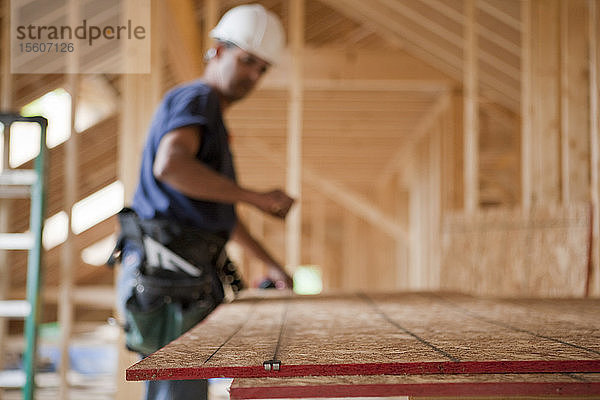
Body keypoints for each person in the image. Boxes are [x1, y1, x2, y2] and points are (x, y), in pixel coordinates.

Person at [109, 4, 294, 399]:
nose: (254, 76)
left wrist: (271, 263)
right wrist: (256, 197)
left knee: (180, 390)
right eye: (247, 61)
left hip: (179, 272)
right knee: (178, 392)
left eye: (263, 68)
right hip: (170, 271)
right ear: (218, 50)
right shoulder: (198, 99)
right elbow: (171, 167)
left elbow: (218, 217)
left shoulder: (210, 118)